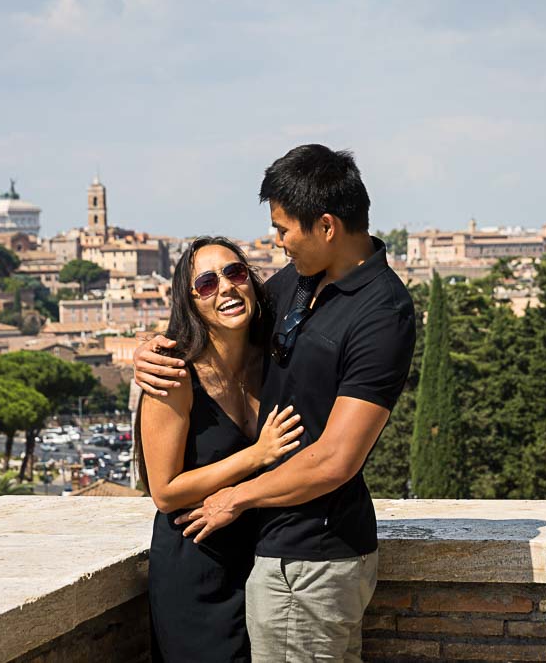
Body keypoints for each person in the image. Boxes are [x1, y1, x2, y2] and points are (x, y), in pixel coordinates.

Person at [134, 144, 416, 661]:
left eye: (283, 229)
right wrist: (147, 350)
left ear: (326, 227)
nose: (276, 242)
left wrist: (238, 497)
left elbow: (335, 458)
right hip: (255, 557)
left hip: (309, 559)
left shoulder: (381, 312)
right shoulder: (298, 284)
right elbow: (216, 323)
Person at [135, 236, 305, 662]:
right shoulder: (172, 378)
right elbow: (165, 491)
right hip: (196, 568)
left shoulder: (273, 360)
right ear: (190, 302)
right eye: (206, 283)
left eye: (234, 273)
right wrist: (256, 454)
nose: (226, 287)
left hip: (260, 564)